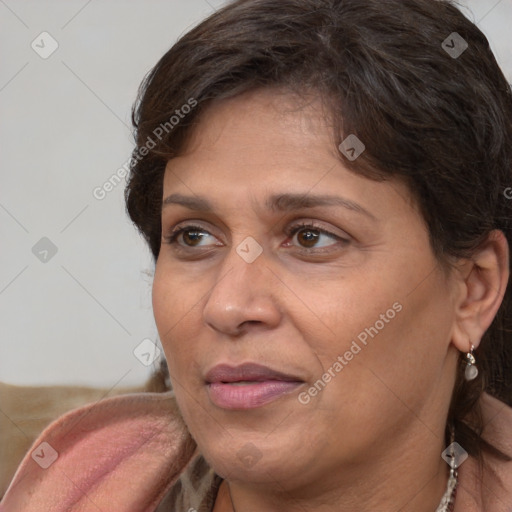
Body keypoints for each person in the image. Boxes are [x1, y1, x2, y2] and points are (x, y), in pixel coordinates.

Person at [1, 0, 511, 510]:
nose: (226, 306)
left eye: (311, 237)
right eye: (194, 236)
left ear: (473, 290)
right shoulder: (66, 490)